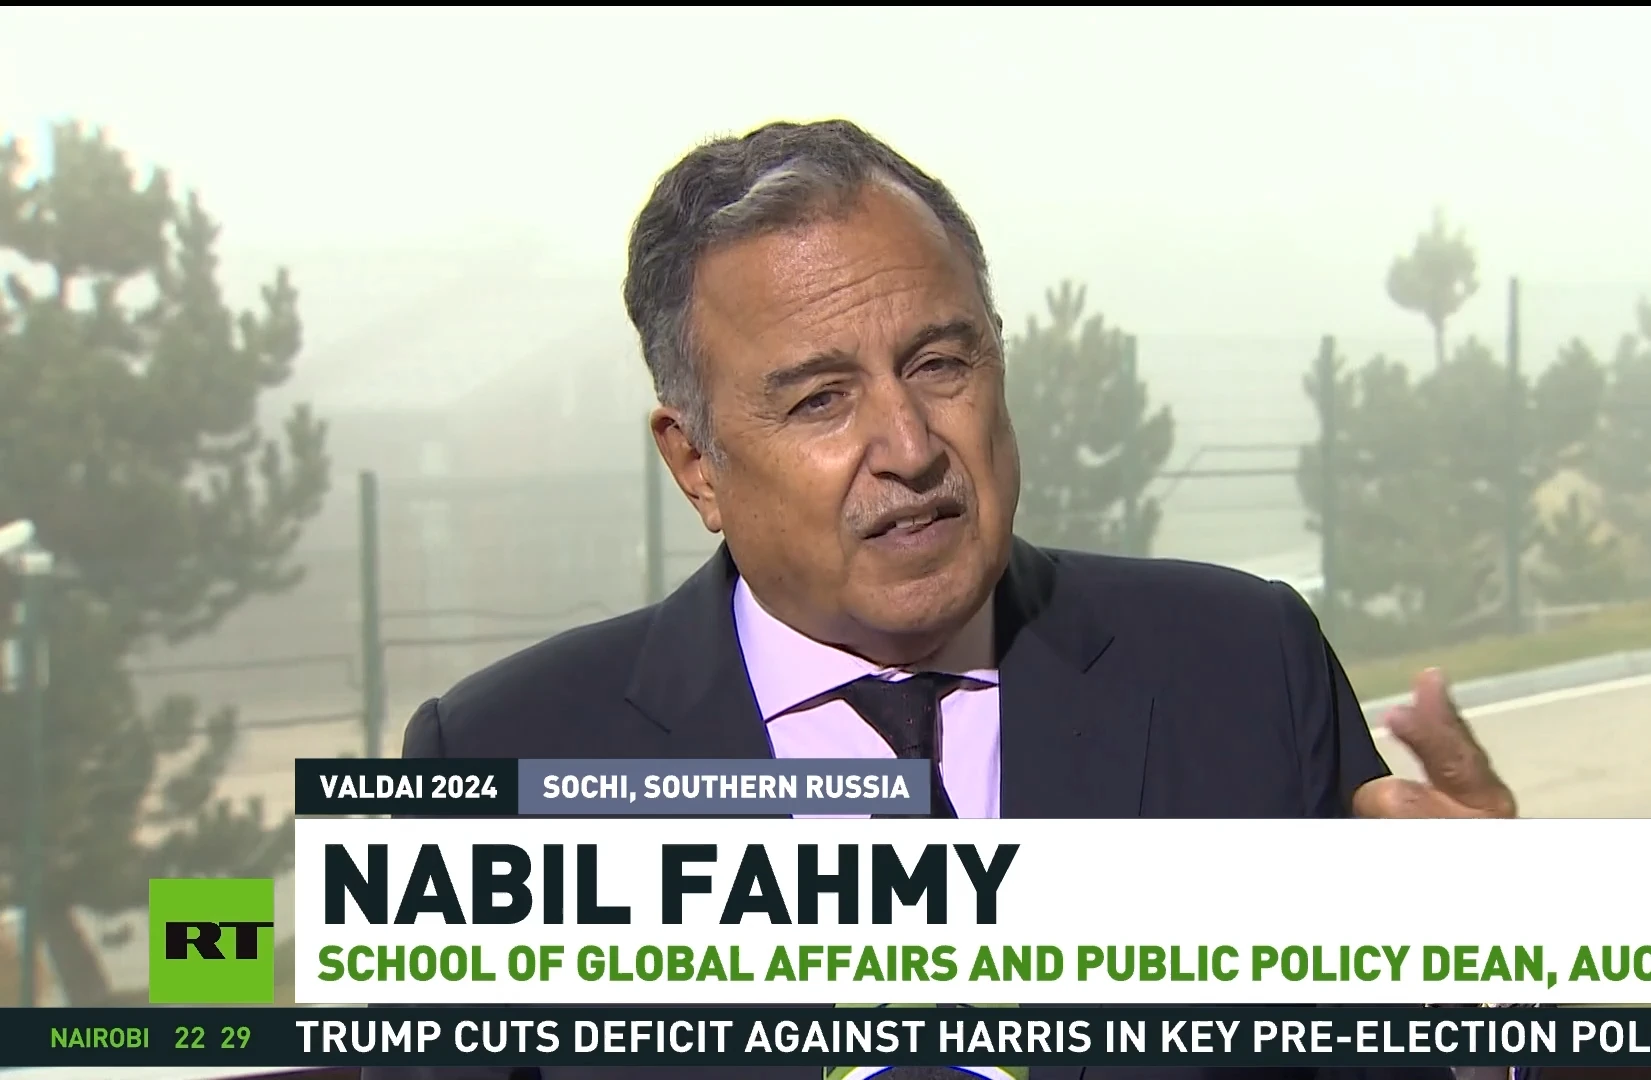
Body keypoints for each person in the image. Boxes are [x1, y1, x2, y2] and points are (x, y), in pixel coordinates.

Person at [367, 119, 1523, 1080]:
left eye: (940, 364)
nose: (911, 446)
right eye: (821, 400)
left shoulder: (1240, 669)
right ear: (697, 465)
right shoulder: (499, 770)